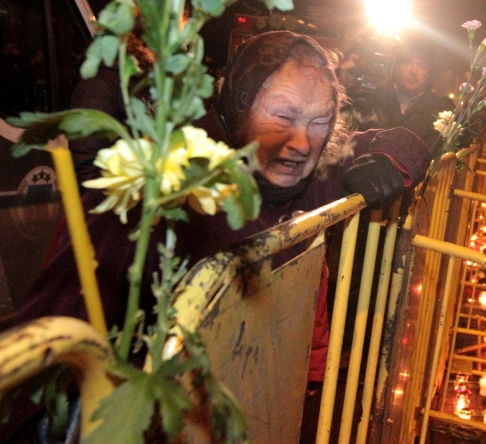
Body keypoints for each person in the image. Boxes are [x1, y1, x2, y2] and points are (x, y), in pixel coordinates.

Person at [7, 31, 431, 442]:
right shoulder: (169, 190)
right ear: (238, 107)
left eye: (320, 121)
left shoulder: (313, 176)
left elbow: (407, 142)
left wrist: (388, 161)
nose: (300, 141)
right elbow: (51, 333)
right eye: (282, 116)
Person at [370, 43, 454, 148]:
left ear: (428, 74)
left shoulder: (439, 110)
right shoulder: (374, 98)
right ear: (396, 67)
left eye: (422, 66)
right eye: (407, 62)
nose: (413, 71)